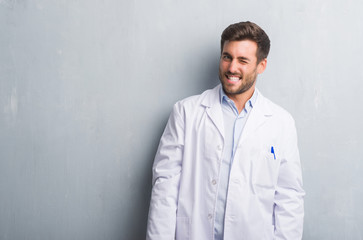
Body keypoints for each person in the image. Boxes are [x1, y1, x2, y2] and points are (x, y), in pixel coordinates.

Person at [146, 21, 305, 240]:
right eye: (227, 57)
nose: (231, 68)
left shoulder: (281, 123)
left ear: (261, 65)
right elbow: (164, 189)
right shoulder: (186, 113)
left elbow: (289, 198)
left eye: (243, 60)